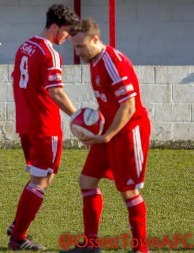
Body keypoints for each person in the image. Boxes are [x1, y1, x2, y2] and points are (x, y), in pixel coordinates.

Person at [67, 19, 151, 253]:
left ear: (95, 39)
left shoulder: (113, 61)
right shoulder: (94, 61)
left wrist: (107, 135)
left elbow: (129, 106)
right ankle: (91, 244)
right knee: (87, 180)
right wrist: (95, 125)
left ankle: (141, 249)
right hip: (109, 130)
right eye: (74, 47)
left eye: (81, 46)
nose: (78, 52)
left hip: (129, 130)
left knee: (128, 191)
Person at [8, 4, 79, 250]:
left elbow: (15, 80)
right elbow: (56, 91)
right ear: (55, 27)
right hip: (44, 125)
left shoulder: (24, 47)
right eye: (67, 32)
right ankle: (18, 236)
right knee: (41, 180)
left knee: (44, 176)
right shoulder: (50, 53)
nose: (68, 38)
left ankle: (18, 223)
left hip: (26, 124)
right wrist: (77, 115)